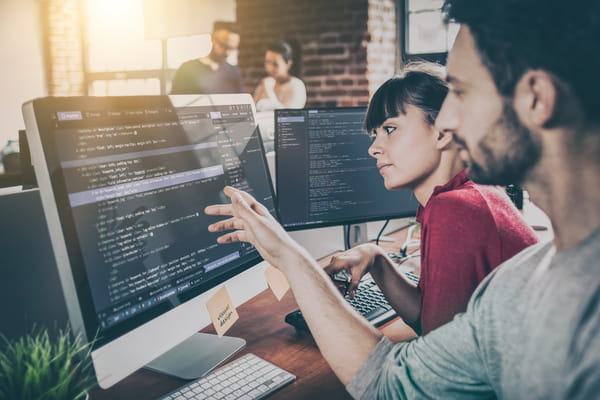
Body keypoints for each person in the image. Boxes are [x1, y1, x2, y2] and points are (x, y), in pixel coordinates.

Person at [205, 0, 600, 398]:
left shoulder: (467, 215)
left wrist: (291, 257)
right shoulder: (528, 276)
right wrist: (377, 259)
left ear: (536, 98)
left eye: (461, 92)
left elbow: (390, 385)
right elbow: (403, 373)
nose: (446, 121)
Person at [323, 64, 537, 336]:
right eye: (374, 134)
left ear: (443, 132)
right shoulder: (467, 192)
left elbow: (435, 349)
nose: (373, 148)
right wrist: (377, 259)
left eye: (390, 129)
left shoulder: (457, 209)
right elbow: (427, 320)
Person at [170, 21, 242, 94]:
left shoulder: (234, 72)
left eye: (232, 49)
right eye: (223, 46)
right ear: (212, 39)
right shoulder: (187, 68)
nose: (227, 53)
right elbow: (173, 102)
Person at [253, 39, 306, 111]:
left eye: (275, 64)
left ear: (288, 64)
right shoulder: (264, 83)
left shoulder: (296, 85)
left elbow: (287, 117)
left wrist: (268, 89)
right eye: (267, 62)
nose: (270, 68)